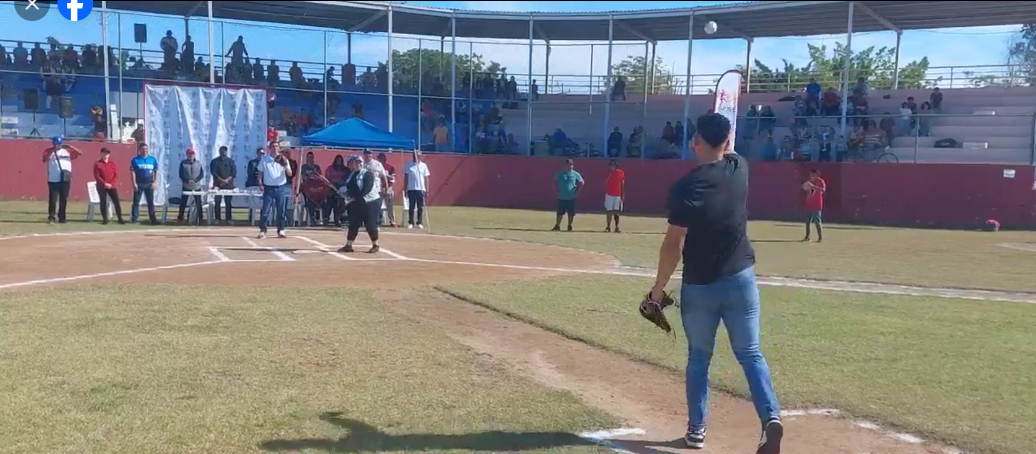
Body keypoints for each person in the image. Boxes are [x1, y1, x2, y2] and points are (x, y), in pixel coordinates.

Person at [649, 113, 783, 453]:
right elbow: (732, 151)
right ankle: (771, 418)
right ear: (728, 140)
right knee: (751, 354)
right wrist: (725, 141)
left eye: (695, 138)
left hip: (700, 286)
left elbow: (673, 244)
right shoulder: (741, 170)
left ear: (697, 142)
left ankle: (696, 432)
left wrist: (659, 287)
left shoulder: (685, 187)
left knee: (699, 358)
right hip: (741, 280)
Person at [337, 155, 381, 254]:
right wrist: (346, 193)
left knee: (370, 224)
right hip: (358, 201)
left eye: (359, 162)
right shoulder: (352, 175)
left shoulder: (367, 174)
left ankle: (375, 244)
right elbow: (351, 188)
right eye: (355, 162)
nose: (358, 164)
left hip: (371, 202)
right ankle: (349, 245)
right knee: (353, 223)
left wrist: (353, 198)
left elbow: (366, 189)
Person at [256, 143, 293, 239]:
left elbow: (290, 174)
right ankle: (263, 230)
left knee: (281, 210)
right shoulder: (265, 159)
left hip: (280, 187)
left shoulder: (284, 159)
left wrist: (284, 164)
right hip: (268, 188)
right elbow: (260, 173)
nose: (275, 148)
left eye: (277, 146)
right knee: (265, 210)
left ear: (279, 148)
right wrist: (260, 183)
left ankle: (281, 230)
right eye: (273, 146)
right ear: (269, 148)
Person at [42, 135, 81, 224]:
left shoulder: (67, 151)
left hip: (65, 178)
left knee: (64, 199)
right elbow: (44, 159)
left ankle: (62, 217)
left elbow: (79, 153)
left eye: (59, 144)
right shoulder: (49, 151)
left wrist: (71, 147)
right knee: (53, 199)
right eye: (56, 144)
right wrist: (52, 151)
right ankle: (51, 216)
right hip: (53, 179)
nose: (57, 146)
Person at [93, 147, 124, 225]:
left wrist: (112, 184)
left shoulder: (112, 164)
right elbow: (97, 176)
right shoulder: (97, 164)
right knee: (103, 202)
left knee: (116, 202)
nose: (106, 155)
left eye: (107, 153)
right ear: (101, 154)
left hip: (111, 186)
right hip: (102, 186)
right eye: (104, 153)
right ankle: (105, 219)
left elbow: (116, 175)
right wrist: (104, 184)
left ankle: (120, 218)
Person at [130, 143, 159, 225]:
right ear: (139, 150)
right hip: (139, 183)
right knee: (136, 202)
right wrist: (134, 183)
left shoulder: (152, 159)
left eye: (146, 149)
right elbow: (133, 172)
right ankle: (134, 218)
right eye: (143, 149)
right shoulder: (135, 160)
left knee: (150, 202)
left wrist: (155, 182)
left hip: (149, 183)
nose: (144, 151)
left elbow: (156, 171)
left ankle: (153, 219)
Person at [551, 159, 583, 232]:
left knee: (571, 213)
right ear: (565, 165)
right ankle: (557, 225)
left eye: (571, 165)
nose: (569, 167)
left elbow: (582, 182)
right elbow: (554, 181)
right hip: (561, 196)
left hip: (571, 197)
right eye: (568, 165)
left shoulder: (575, 174)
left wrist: (577, 192)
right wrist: (556, 191)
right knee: (560, 213)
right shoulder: (560, 173)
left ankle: (569, 225)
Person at [177, 148, 205, 225]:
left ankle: (200, 218)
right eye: (190, 154)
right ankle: (180, 217)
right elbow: (181, 174)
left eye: (192, 154)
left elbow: (201, 174)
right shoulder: (183, 163)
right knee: (183, 202)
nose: (191, 155)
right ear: (187, 155)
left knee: (198, 202)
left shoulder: (198, 163)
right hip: (186, 186)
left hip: (196, 186)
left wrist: (195, 180)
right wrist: (187, 180)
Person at [209, 145, 237, 224]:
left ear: (227, 152)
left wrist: (227, 180)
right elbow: (213, 172)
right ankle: (217, 218)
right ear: (219, 151)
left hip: (229, 185)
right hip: (218, 184)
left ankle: (229, 219)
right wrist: (221, 180)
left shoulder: (231, 161)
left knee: (228, 202)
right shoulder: (214, 161)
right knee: (217, 202)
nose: (223, 152)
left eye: (225, 150)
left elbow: (234, 173)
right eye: (222, 150)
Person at [403, 150, 431, 229]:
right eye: (415, 155)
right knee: (411, 206)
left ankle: (419, 222)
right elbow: (406, 178)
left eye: (418, 155)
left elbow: (426, 178)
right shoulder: (408, 165)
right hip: (411, 189)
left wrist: (427, 189)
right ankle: (411, 222)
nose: (417, 157)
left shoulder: (423, 165)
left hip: (421, 189)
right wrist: (405, 189)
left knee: (420, 207)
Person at [361, 149, 388, 225]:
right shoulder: (362, 164)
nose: (368, 155)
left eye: (369, 154)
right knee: (366, 208)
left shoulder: (377, 164)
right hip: (365, 190)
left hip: (376, 189)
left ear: (372, 155)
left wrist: (386, 187)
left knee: (376, 207)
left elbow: (383, 176)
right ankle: (367, 223)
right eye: (366, 154)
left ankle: (377, 223)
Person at [324, 155, 350, 227]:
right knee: (330, 200)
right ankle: (326, 218)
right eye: (337, 160)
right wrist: (333, 182)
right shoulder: (330, 168)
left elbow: (348, 180)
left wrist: (340, 182)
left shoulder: (346, 170)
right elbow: (327, 179)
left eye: (340, 160)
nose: (339, 162)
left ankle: (337, 218)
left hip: (342, 190)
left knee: (339, 203)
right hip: (331, 189)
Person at [802, 169, 826, 243]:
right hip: (809, 204)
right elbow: (807, 189)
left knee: (817, 221)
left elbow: (823, 190)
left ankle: (820, 237)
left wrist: (813, 186)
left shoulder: (821, 181)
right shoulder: (809, 182)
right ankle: (807, 237)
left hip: (817, 204)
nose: (811, 176)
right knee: (807, 221)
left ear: (816, 174)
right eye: (810, 175)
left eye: (812, 174)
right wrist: (806, 187)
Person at [377, 152, 398, 227]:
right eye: (378, 158)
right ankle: (378, 220)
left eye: (380, 158)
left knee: (390, 206)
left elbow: (393, 178)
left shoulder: (390, 167)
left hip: (388, 188)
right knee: (377, 205)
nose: (379, 159)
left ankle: (392, 221)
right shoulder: (377, 167)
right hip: (379, 188)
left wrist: (386, 175)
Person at [604, 159, 625, 233]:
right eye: (611, 165)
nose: (612, 167)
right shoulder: (607, 172)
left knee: (616, 212)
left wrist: (623, 194)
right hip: (609, 194)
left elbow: (622, 183)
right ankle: (608, 226)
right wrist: (610, 174)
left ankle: (617, 227)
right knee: (609, 211)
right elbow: (605, 181)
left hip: (617, 194)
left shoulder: (621, 172)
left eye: (614, 165)